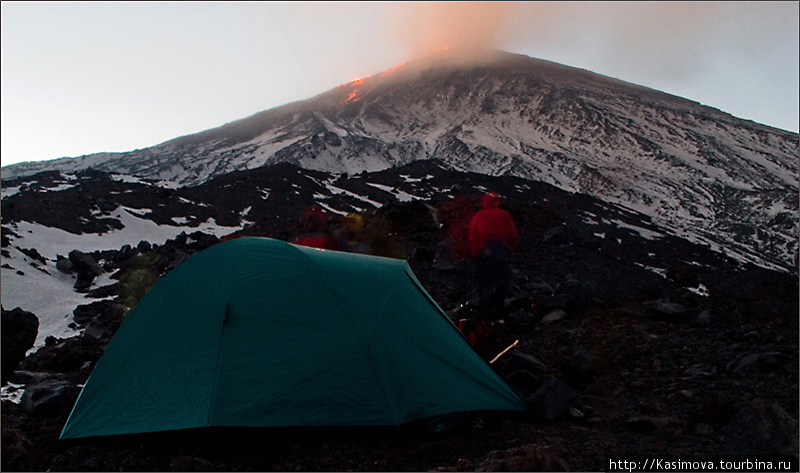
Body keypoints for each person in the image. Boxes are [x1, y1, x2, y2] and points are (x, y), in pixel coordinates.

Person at [467, 192, 518, 312]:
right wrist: (511, 248)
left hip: (485, 251)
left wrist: (476, 253)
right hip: (501, 249)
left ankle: (485, 310)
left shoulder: (478, 216)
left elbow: (473, 236)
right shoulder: (504, 215)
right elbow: (512, 234)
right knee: (502, 279)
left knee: (486, 281)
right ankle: (499, 308)